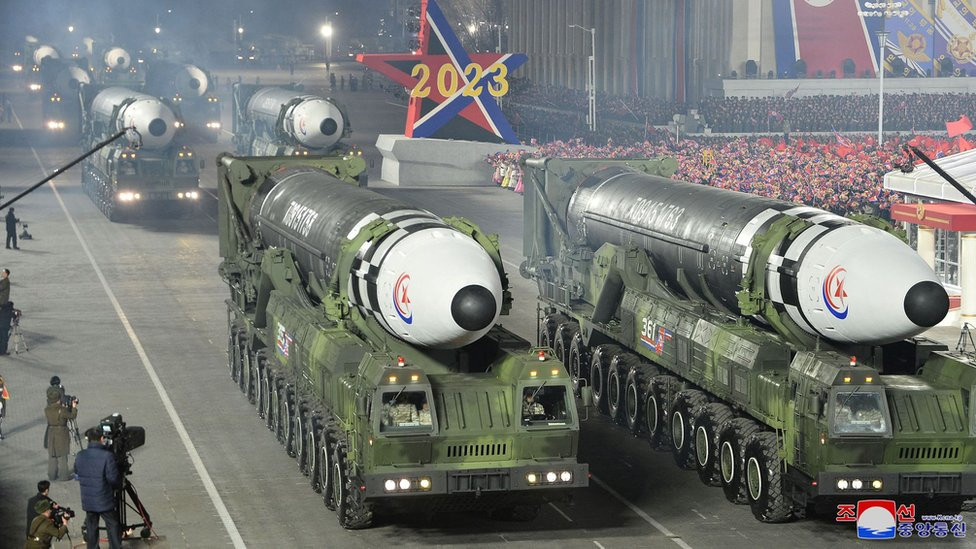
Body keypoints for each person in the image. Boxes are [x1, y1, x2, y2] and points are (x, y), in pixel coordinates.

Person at [75, 429, 122, 549]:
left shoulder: (80, 455)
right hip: (104, 499)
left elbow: (77, 473)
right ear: (101, 439)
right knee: (113, 524)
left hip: (88, 500)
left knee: (91, 526)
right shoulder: (107, 456)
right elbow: (113, 479)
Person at [45, 386, 77, 481]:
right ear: (58, 399)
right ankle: (63, 476)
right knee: (62, 455)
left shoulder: (47, 409)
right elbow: (72, 416)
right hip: (61, 432)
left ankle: (52, 475)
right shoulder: (62, 410)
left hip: (51, 432)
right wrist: (74, 408)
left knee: (52, 455)